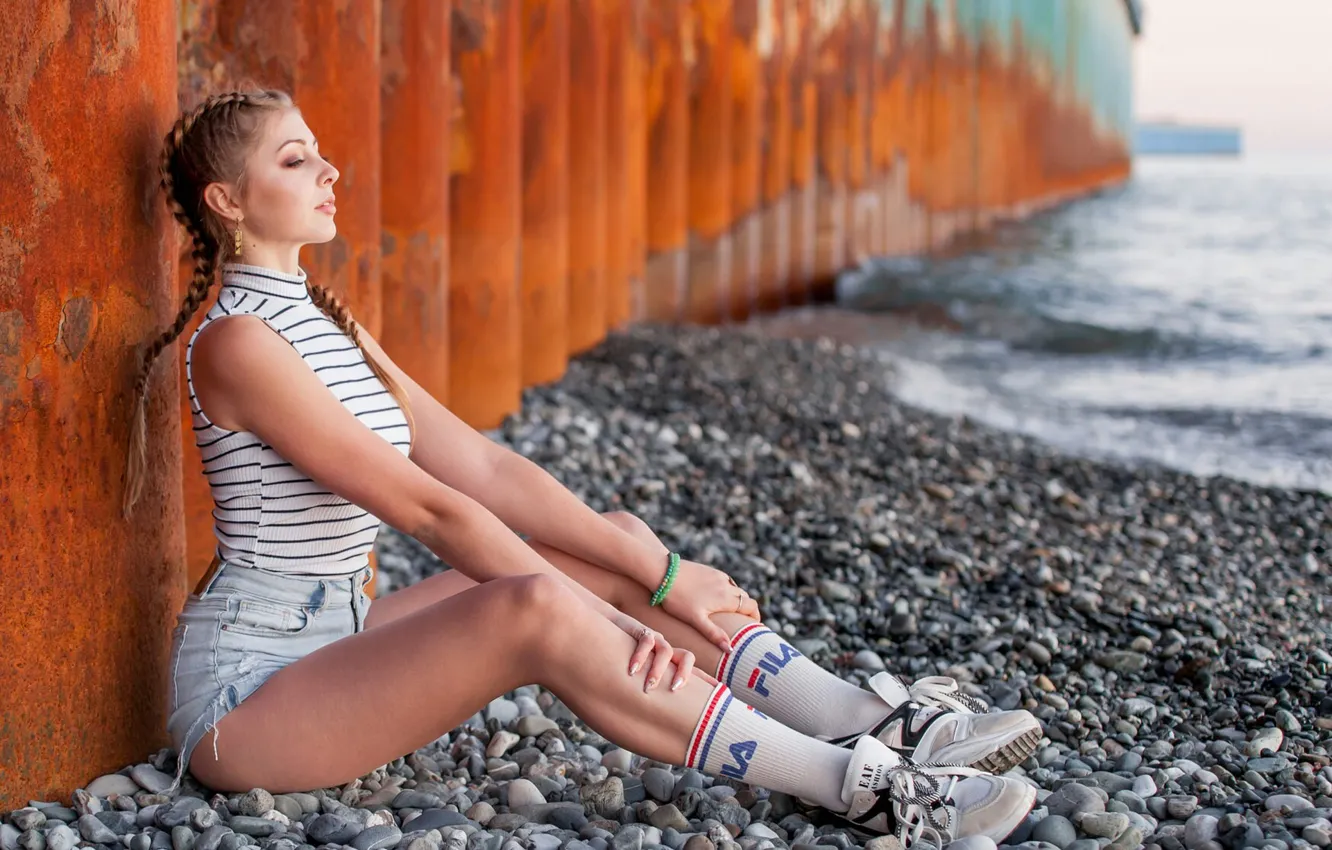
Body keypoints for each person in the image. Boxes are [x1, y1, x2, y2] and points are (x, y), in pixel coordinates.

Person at [122, 89, 1042, 849]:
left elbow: (480, 464)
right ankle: (861, 788)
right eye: (293, 160)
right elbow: (429, 511)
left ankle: (852, 716)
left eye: (320, 151)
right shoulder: (236, 344)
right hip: (246, 702)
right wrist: (598, 620)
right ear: (227, 202)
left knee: (620, 547)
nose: (329, 172)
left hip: (341, 641)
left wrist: (662, 579)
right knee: (539, 603)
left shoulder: (331, 324)